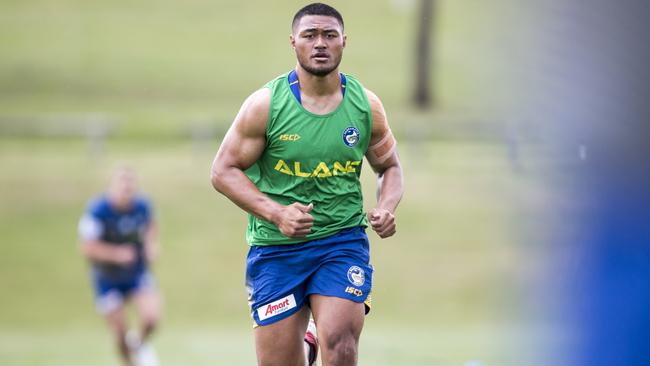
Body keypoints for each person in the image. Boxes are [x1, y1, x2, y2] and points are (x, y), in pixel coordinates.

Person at [210, 3, 403, 365]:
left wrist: (386, 207)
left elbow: (389, 167)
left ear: (344, 42)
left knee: (342, 345)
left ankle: (323, 336)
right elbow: (222, 171)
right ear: (293, 42)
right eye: (309, 35)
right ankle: (308, 344)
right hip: (277, 249)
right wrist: (277, 213)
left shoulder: (366, 105)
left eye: (329, 35)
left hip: (341, 240)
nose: (320, 43)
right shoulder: (265, 105)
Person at [78, 168, 161, 366]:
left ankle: (139, 344)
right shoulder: (97, 211)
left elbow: (151, 225)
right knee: (120, 332)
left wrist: (151, 245)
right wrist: (116, 254)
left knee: (151, 318)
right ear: (112, 188)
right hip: (107, 278)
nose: (127, 193)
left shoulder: (142, 206)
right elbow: (87, 248)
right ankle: (129, 363)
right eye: (123, 188)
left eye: (130, 189)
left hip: (136, 273)